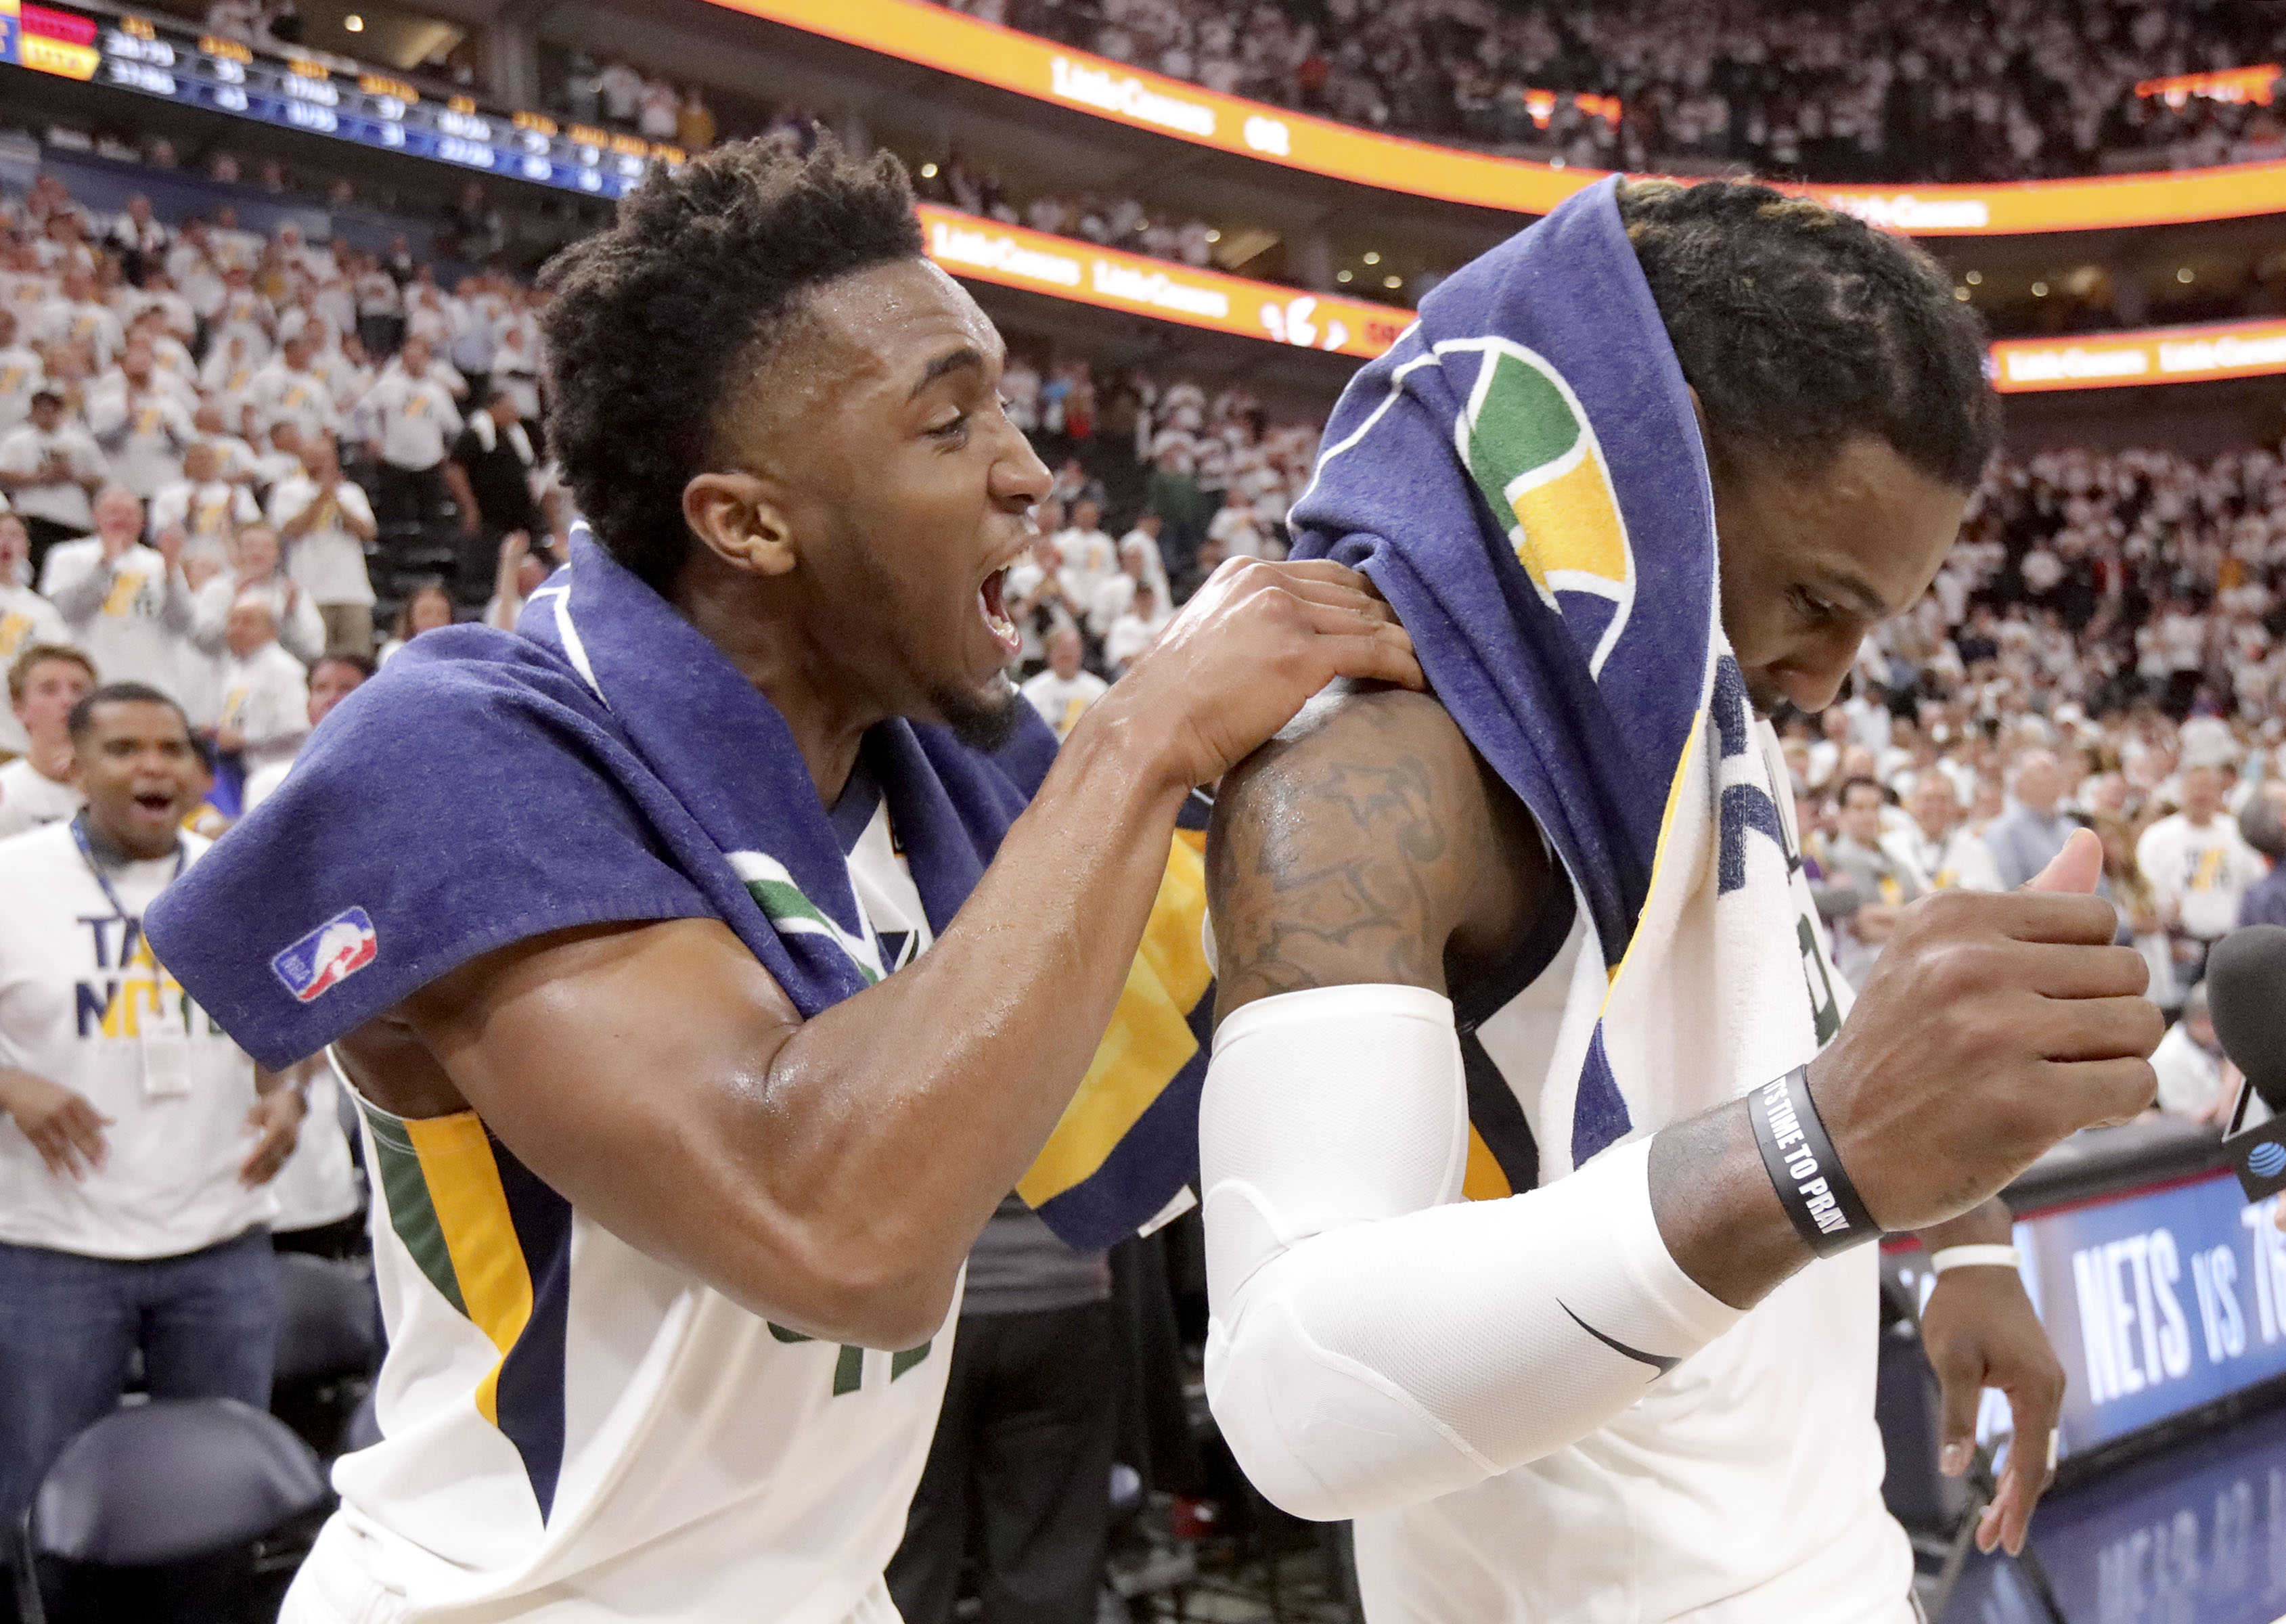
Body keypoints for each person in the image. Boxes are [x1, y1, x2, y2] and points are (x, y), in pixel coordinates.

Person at [143, 135, 1417, 1624]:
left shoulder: (957, 776)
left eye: (1003, 403)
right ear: (746, 521)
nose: (1026, 470)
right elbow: (834, 1235)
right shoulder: (462, 753)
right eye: (949, 425)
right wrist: (1141, 734)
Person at [1200, 179, 2160, 1623]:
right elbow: (1293, 1401)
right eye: (1820, 601)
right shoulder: (1361, 778)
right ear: (1646, 484)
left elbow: (1778, 1019)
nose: (1832, 678)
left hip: (1839, 1559)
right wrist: (1819, 1155)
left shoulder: (1697, 698)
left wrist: (1965, 1230)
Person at [0, 683, 305, 1550]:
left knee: (217, 1510)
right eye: (126, 749)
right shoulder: (11, 877)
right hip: (53, 1253)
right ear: (74, 766)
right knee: (40, 1509)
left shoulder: (233, 880)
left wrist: (286, 1091)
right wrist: (10, 1085)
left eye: (172, 749)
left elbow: (287, 1021)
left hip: (222, 1243)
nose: (153, 766)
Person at [40, 486, 197, 700]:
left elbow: (183, 624)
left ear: (143, 522)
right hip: (94, 681)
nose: (121, 519)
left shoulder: (159, 563)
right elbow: (66, 613)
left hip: (153, 681)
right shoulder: (69, 557)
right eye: (113, 512)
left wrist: (170, 576)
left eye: (130, 513)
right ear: (96, 517)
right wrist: (105, 565)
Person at [2137, 746, 2266, 1001]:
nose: (2201, 794)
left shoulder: (2237, 834)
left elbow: (2257, 885)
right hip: (2179, 947)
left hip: (2228, 946)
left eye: (2208, 788)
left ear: (2220, 793)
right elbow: (2142, 891)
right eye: (2195, 787)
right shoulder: (2158, 837)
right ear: (2182, 791)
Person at [270, 435, 379, 657]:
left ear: (334, 459)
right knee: (315, 659)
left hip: (352, 591)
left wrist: (336, 501)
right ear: (302, 459)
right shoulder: (287, 491)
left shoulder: (351, 492)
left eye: (324, 457)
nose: (318, 463)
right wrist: (322, 498)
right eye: (312, 457)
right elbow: (288, 530)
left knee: (357, 658)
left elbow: (368, 532)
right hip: (308, 592)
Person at [1822, 775, 1923, 987]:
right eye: (1859, 808)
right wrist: (1914, 918)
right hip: (1855, 980)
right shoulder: (1831, 861)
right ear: (1842, 813)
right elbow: (1864, 926)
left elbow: (1927, 910)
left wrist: (1886, 918)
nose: (1869, 817)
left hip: (1902, 975)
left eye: (1875, 808)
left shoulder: (1897, 863)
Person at [356, 335, 463, 528]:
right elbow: (365, 409)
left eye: (418, 356)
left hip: (429, 463)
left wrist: (446, 453)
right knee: (392, 520)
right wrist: (373, 437)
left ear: (427, 359)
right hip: (394, 461)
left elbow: (453, 426)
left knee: (432, 520)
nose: (413, 361)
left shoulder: (437, 392)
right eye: (409, 356)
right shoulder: (388, 385)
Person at [243, 651, 369, 811]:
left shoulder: (386, 774)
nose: (332, 697)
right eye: (321, 689)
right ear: (309, 706)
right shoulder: (271, 783)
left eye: (346, 689)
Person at [0, 389, 106, 565]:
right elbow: (4, 472)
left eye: (51, 410)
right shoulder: (17, 440)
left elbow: (99, 477)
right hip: (34, 513)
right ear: (33, 412)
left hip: (73, 517)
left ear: (61, 411)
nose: (46, 415)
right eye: (41, 410)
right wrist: (39, 477)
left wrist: (72, 477)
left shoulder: (79, 441)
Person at [0, 646, 95, 838]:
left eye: (78, 690)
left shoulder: (119, 788)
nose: (68, 700)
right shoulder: (7, 792)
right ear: (19, 708)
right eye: (49, 690)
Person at [213, 595, 311, 779]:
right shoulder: (233, 669)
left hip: (276, 774)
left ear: (272, 631)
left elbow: (297, 729)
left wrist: (245, 740)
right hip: (236, 771)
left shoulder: (284, 669)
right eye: (233, 621)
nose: (237, 629)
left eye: (248, 622)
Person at [0, 514, 70, 757]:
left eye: (14, 535)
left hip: (15, 738)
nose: (5, 543)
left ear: (27, 547)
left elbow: (58, 664)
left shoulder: (42, 612)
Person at [2149, 980, 2254, 1127]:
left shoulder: (2216, 1043)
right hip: (2198, 1137)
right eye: (2226, 1022)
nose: (2232, 1029)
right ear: (2203, 1023)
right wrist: (2228, 1095)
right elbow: (2197, 1118)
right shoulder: (2167, 1057)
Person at [1887, 769, 2002, 893]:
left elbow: (1996, 901)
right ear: (1913, 804)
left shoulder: (1976, 850)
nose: (1936, 807)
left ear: (1955, 805)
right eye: (1928, 799)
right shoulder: (1889, 848)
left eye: (1943, 799)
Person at [1981, 748, 2076, 890]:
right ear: (2020, 784)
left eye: (2054, 776)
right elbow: (2012, 893)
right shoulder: (2003, 831)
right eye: (2042, 773)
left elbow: (2099, 886)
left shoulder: (2071, 828)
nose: (2050, 779)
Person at [1020, 623, 1108, 740]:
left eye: (1072, 648)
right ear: (1048, 653)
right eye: (1061, 649)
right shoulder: (1031, 691)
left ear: (1081, 651)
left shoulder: (1098, 690)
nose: (1067, 654)